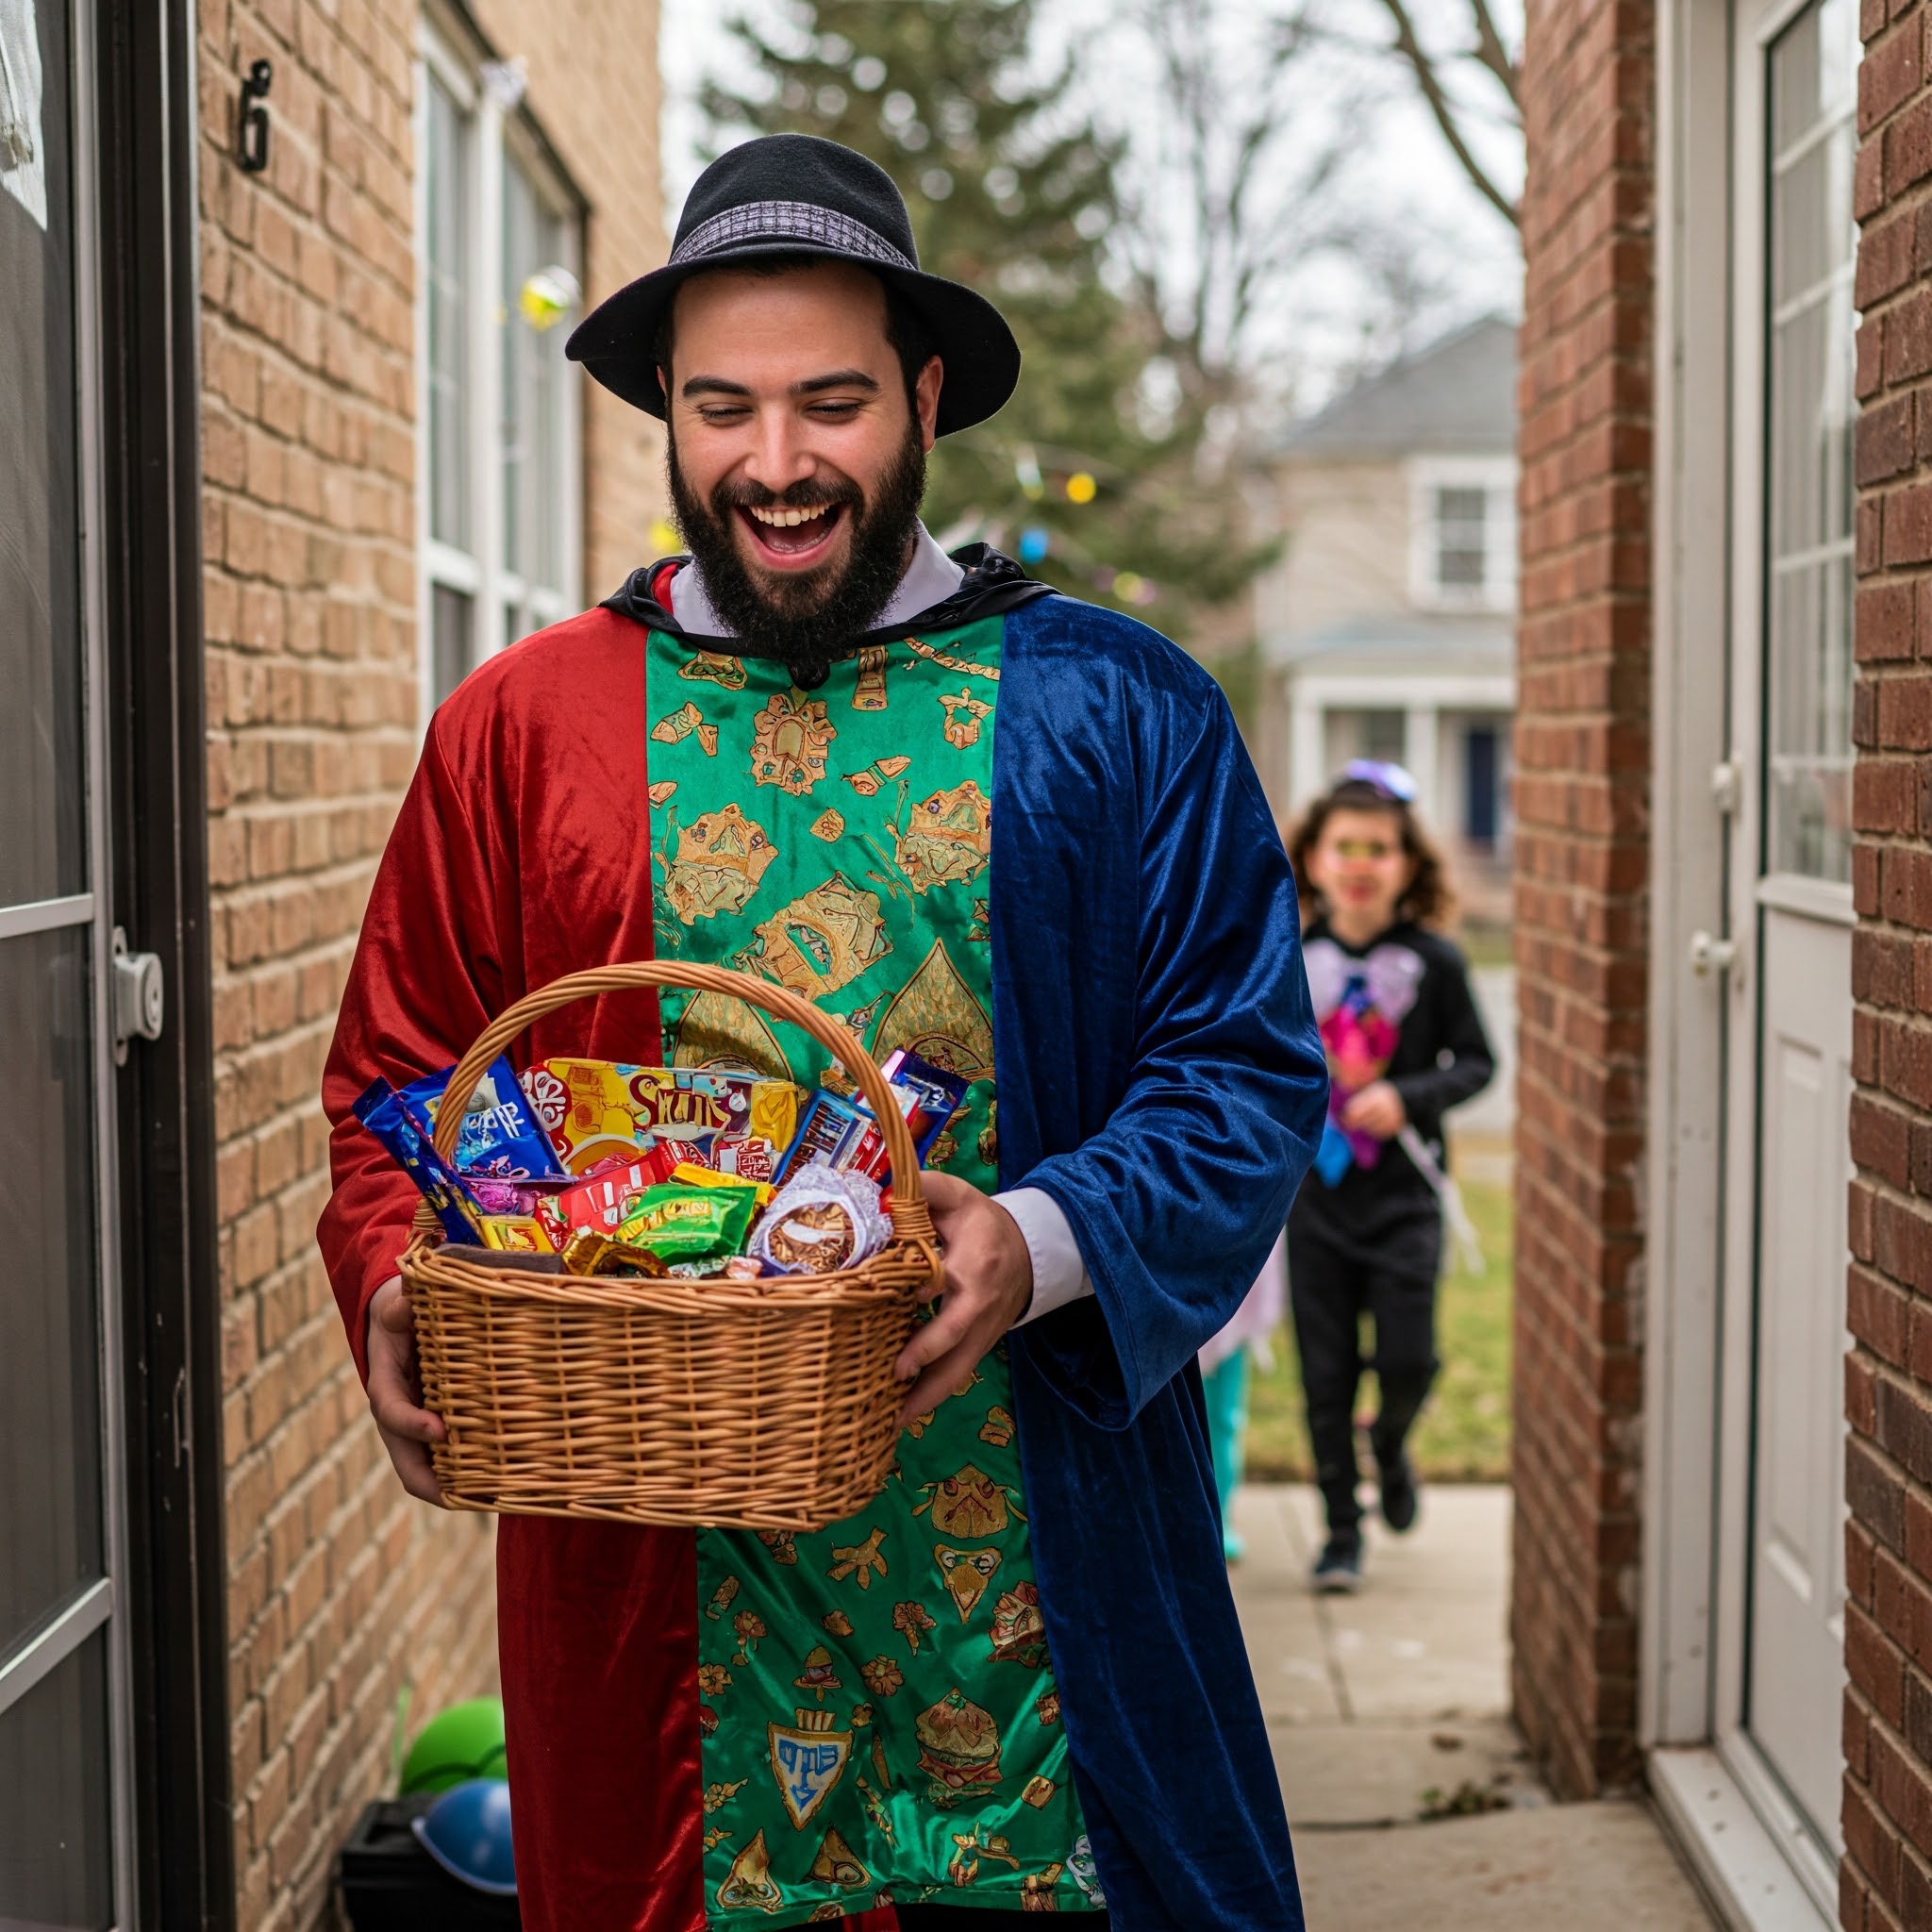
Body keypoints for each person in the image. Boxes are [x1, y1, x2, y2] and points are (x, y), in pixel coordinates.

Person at [318, 134, 1326, 1932]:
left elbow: (1242, 1072)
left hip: (1047, 1589)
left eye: (830, 402)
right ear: (668, 419)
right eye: (723, 408)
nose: (774, 466)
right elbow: (402, 1070)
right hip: (655, 1606)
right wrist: (402, 1263)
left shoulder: (1117, 712)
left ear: (925, 397)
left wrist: (1036, 1239)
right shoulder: (523, 728)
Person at [1284, 762, 1493, 1595]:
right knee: (1324, 1371)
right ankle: (1341, 1530)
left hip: (1406, 1196)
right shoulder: (1288, 959)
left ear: (1408, 865)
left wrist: (1408, 1097)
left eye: (1381, 848)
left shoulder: (1435, 963)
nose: (1362, 863)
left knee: (1410, 1356)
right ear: (1315, 860)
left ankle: (1393, 1445)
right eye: (1345, 848)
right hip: (1315, 1199)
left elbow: (1477, 1062)